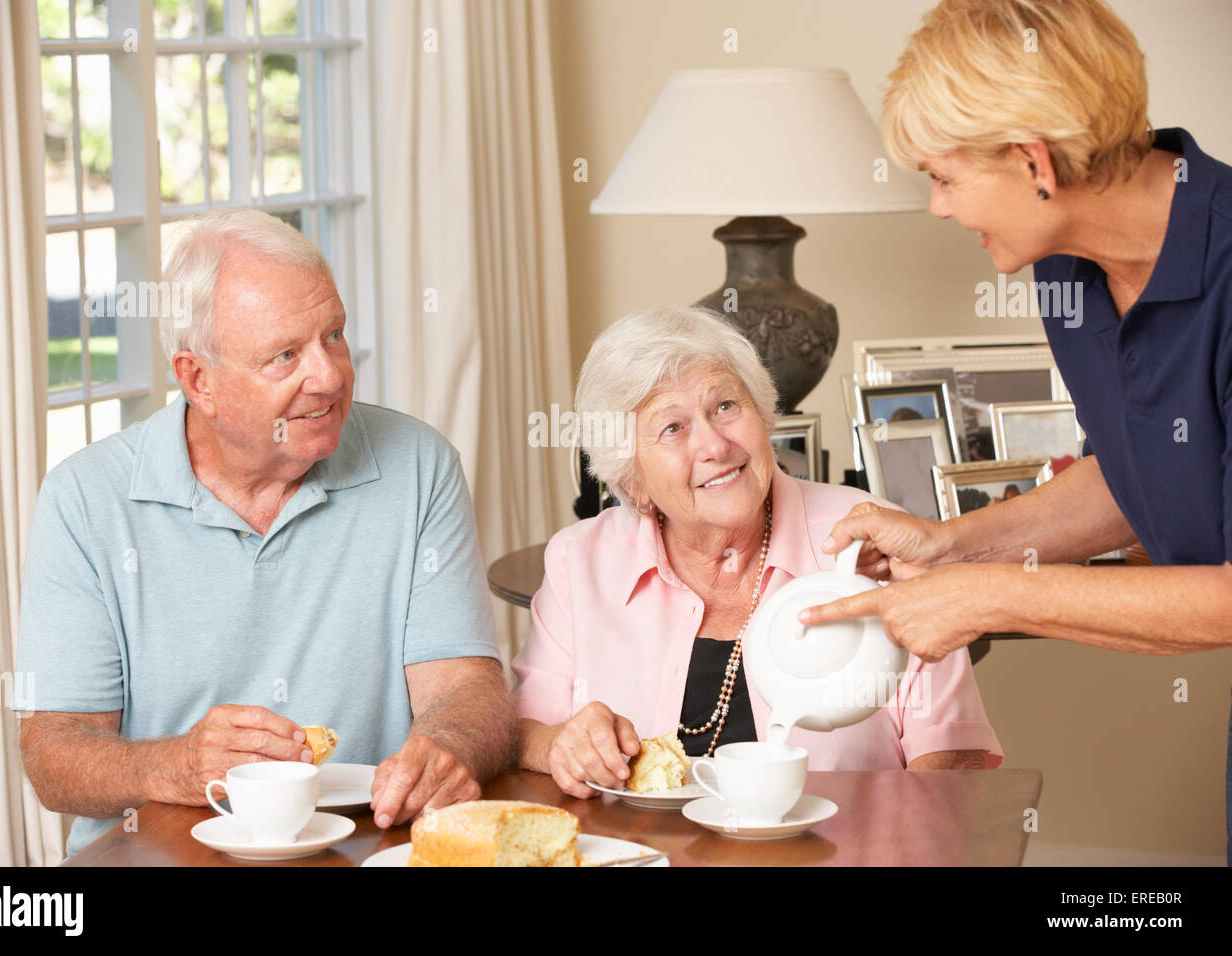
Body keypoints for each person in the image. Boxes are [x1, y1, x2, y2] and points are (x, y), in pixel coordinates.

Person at [797, 0, 1232, 862]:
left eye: (944, 177)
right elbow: (1140, 468)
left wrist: (991, 595)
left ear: (1033, 160)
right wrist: (953, 547)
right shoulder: (1069, 271)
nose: (937, 208)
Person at [14, 209, 514, 857]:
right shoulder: (84, 500)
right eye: (286, 356)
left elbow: (464, 687)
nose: (330, 376)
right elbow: (53, 754)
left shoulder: (419, 464)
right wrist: (175, 766)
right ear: (199, 381)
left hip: (361, 849)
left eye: (333, 334)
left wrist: (445, 748)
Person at [512, 307, 1001, 798]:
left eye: (725, 406)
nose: (715, 446)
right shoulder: (581, 563)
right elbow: (521, 732)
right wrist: (561, 743)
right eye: (672, 429)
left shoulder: (870, 540)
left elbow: (952, 755)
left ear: (763, 413)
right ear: (633, 482)